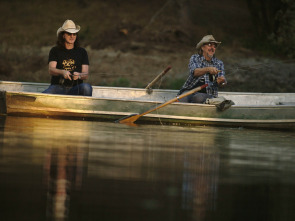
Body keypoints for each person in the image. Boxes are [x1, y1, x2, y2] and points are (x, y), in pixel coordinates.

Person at [178, 35, 233, 109]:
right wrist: (208, 69)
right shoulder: (194, 58)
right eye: (209, 45)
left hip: (208, 94)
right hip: (190, 90)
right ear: (202, 47)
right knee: (181, 99)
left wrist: (222, 82)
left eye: (214, 46)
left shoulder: (219, 63)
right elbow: (195, 72)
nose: (212, 48)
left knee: (198, 98)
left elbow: (222, 83)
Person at [43, 19, 92, 96]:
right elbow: (51, 70)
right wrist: (62, 72)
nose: (72, 36)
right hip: (58, 87)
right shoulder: (55, 50)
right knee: (45, 94)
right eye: (69, 34)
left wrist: (79, 75)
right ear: (63, 35)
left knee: (87, 87)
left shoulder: (82, 51)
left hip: (76, 88)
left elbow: (85, 74)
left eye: (74, 34)